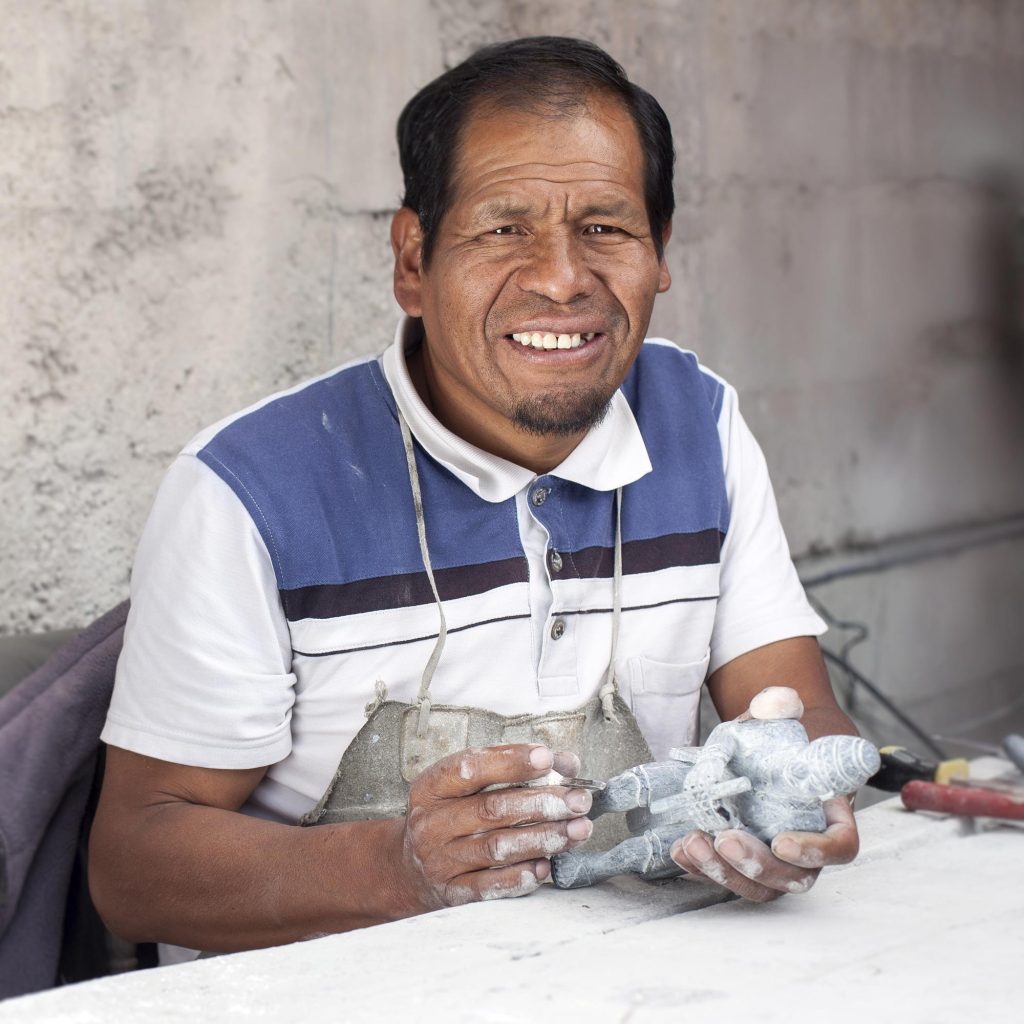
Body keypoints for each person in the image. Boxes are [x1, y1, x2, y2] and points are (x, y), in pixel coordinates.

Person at [89, 37, 860, 957]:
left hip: (624, 981)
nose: (562, 278)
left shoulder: (701, 425)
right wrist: (398, 867)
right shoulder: (251, 486)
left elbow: (793, 708)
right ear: (413, 260)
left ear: (660, 256)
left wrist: (801, 802)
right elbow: (134, 869)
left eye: (606, 227)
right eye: (504, 228)